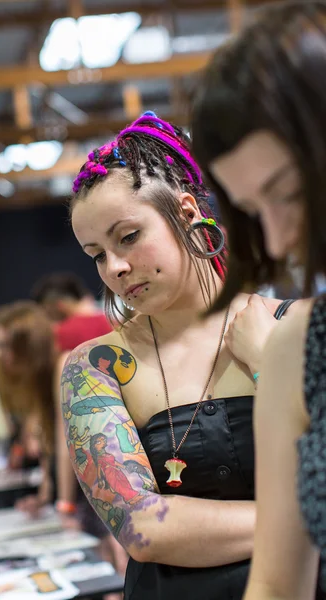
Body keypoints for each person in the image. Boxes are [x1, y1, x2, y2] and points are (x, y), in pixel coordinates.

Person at [60, 110, 292, 600]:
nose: (116, 267)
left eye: (128, 237)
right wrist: (304, 518)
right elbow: (143, 529)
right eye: (96, 254)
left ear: (186, 213)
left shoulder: (296, 326)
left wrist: (271, 363)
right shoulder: (95, 367)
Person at [191, 2, 326, 598]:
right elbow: (275, 583)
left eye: (290, 193)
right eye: (250, 211)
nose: (276, 239)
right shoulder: (300, 346)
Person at [32, 274, 127, 586]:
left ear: (56, 306)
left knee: (103, 565)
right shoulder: (122, 323)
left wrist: (64, 500)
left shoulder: (61, 338)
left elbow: (64, 431)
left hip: (88, 463)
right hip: (129, 452)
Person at [0, 301, 56, 514]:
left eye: (4, 345)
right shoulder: (36, 384)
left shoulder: (61, 371)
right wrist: (44, 497)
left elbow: (65, 448)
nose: (0, 354)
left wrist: (64, 503)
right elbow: (49, 451)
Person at [31, 273, 112, 352]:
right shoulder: (113, 323)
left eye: (47, 312)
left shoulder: (60, 334)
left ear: (59, 306)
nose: (47, 319)